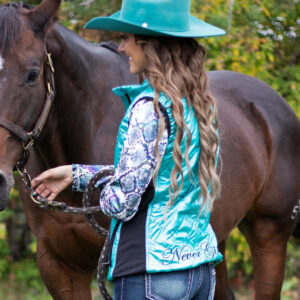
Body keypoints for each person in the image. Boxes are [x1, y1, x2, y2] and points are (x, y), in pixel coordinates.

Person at [32, 0, 225, 299]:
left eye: (125, 38)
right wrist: (77, 174)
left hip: (150, 274)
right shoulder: (197, 106)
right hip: (200, 270)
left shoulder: (148, 108)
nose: (120, 49)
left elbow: (122, 202)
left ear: (148, 44)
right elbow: (155, 177)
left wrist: (104, 194)